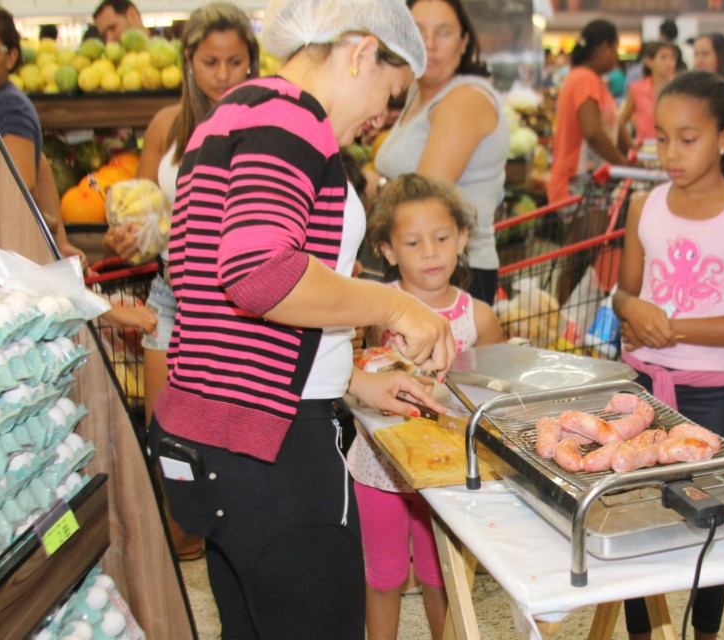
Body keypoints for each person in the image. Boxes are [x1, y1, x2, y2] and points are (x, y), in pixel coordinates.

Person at [147, 0, 456, 637]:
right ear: (361, 52)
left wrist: (349, 380)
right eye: (389, 93)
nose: (381, 119)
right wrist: (396, 304)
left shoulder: (230, 113)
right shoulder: (293, 120)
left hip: (212, 437)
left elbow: (212, 296)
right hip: (274, 454)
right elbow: (258, 273)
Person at [614, 70, 724, 640]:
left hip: (712, 397)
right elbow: (623, 290)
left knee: (710, 524)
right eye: (661, 138)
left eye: (688, 138)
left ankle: (703, 633)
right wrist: (633, 310)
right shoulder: (645, 206)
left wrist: (672, 326)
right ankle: (641, 633)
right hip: (643, 391)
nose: (671, 153)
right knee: (634, 518)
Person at [103, 2, 259, 562]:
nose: (222, 73)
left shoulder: (264, 127)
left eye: (234, 61)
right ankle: (184, 553)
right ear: (189, 61)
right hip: (172, 296)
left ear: (251, 62)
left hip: (238, 304)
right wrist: (126, 238)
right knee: (168, 438)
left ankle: (231, 550)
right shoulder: (167, 128)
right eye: (210, 61)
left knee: (229, 445)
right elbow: (138, 214)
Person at [348, 173, 502, 640]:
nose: (430, 252)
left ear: (461, 238)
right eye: (413, 243)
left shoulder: (479, 316)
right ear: (389, 251)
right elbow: (348, 372)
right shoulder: (375, 304)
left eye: (440, 238)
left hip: (450, 471)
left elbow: (493, 393)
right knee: (383, 578)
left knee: (444, 580)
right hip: (380, 467)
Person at [373, 0, 509, 307]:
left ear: (464, 42)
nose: (430, 45)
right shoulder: (416, 92)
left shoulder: (465, 99)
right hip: (417, 268)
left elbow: (425, 198)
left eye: (443, 33)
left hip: (456, 273)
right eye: (418, 32)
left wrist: (375, 185)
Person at [0, 9, 91, 272]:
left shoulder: (9, 108)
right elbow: (40, 167)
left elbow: (20, 188)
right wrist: (59, 239)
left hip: (11, 259)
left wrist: (53, 233)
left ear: (12, 56)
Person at [547, 19, 630, 204]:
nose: (616, 57)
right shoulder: (584, 79)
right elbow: (593, 132)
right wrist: (622, 163)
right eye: (615, 49)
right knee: (589, 234)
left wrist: (632, 157)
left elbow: (615, 125)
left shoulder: (592, 79)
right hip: (577, 182)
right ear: (604, 47)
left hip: (587, 180)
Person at [617, 41, 679, 152]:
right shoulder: (637, 89)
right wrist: (631, 145)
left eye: (672, 58)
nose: (669, 63)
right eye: (663, 58)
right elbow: (621, 121)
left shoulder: (680, 88)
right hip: (646, 149)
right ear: (649, 61)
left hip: (674, 148)